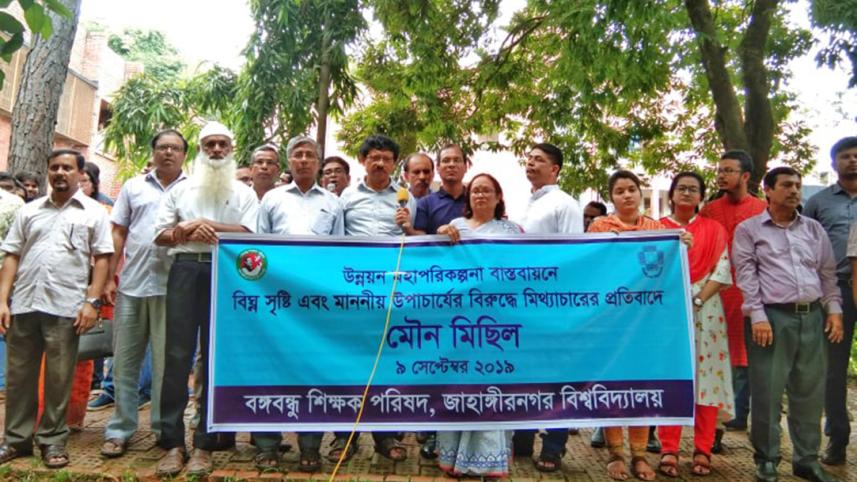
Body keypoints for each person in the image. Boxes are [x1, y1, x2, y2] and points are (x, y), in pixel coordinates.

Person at [153, 121, 259, 477]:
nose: (216, 150)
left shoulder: (244, 193)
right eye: (210, 144)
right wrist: (182, 230)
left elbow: (249, 232)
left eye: (222, 144)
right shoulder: (180, 191)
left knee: (217, 356)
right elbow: (161, 236)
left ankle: (205, 444)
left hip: (225, 275)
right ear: (200, 150)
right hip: (184, 270)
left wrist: (203, 224)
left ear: (232, 149)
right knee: (177, 355)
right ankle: (172, 443)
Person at [0, 149, 113, 469]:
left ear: (80, 174)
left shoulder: (93, 213)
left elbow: (102, 258)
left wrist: (92, 302)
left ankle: (52, 441)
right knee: (19, 376)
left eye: (67, 168)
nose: (60, 173)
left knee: (59, 378)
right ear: (48, 172)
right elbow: (11, 255)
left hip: (66, 306)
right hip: (24, 303)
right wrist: (2, 299)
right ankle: (16, 440)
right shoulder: (30, 211)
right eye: (55, 168)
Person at [732, 166, 843, 482]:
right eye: (787, 185)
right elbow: (747, 276)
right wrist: (758, 316)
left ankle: (806, 459)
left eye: (797, 185)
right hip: (771, 319)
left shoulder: (813, 229)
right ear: (767, 190)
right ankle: (766, 459)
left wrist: (833, 311)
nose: (795, 190)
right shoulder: (749, 230)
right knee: (767, 392)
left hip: (812, 318)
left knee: (809, 392)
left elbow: (827, 274)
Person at [256, 136, 344, 471]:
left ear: (319, 162)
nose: (304, 160)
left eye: (310, 155)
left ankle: (310, 447)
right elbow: (258, 249)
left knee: (313, 370)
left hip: (317, 304)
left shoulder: (333, 203)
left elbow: (340, 255)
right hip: (276, 301)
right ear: (289, 162)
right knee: (271, 368)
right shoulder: (272, 199)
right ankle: (267, 447)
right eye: (298, 155)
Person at [98, 129, 189, 458]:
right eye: (162, 147)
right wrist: (110, 278)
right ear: (152, 153)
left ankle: (162, 430)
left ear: (184, 155)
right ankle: (120, 429)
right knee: (125, 361)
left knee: (168, 366)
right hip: (132, 285)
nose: (168, 153)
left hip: (173, 289)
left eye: (175, 148)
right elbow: (118, 232)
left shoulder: (192, 190)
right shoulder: (133, 187)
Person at [431, 172, 520, 477]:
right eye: (475, 191)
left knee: (491, 388)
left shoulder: (512, 231)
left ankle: (489, 460)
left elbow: (524, 270)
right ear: (468, 198)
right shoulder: (455, 228)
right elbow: (438, 268)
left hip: (496, 324)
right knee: (457, 387)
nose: (480, 196)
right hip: (459, 324)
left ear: (498, 197)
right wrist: (439, 234)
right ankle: (454, 458)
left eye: (487, 191)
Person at [340, 134, 415, 461]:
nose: (380, 163)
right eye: (374, 157)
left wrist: (408, 227)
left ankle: (385, 436)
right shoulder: (345, 197)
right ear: (363, 161)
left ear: (395, 163)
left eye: (386, 158)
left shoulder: (405, 198)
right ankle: (345, 438)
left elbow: (413, 244)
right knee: (350, 361)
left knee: (385, 363)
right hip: (354, 291)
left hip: (391, 293)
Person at [510, 142, 582, 473]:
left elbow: (571, 256)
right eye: (529, 158)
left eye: (538, 160)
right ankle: (523, 438)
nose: (531, 163)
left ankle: (554, 445)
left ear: (554, 169)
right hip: (522, 303)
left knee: (556, 376)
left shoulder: (565, 204)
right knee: (525, 373)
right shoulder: (523, 204)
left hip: (552, 303)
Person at [657, 172, 734, 477]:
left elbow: (723, 269)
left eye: (694, 189)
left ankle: (703, 448)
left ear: (701, 196)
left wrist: (698, 299)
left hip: (707, 309)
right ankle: (668, 449)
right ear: (672, 194)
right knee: (671, 376)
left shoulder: (714, 229)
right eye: (681, 188)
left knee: (707, 379)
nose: (687, 193)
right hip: (666, 311)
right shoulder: (657, 229)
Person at [588, 170, 663, 481]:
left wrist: (681, 243)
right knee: (614, 384)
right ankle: (616, 453)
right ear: (612, 197)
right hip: (611, 320)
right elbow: (591, 265)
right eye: (620, 191)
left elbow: (668, 268)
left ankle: (641, 455)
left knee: (642, 385)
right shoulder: (599, 227)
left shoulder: (657, 229)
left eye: (632, 189)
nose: (627, 195)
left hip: (646, 321)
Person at [699, 150, 766, 438]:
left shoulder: (763, 209)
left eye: (728, 170)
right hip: (714, 296)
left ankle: (742, 418)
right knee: (715, 360)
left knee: (747, 362)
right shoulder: (710, 210)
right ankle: (714, 432)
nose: (721, 176)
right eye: (719, 170)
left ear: (746, 176)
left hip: (752, 296)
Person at [802, 136, 857, 466]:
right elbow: (804, 247)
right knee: (833, 370)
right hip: (835, 293)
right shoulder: (818, 203)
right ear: (834, 163)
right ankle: (837, 437)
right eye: (846, 156)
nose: (853, 161)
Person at [411, 144, 468, 236]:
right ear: (437, 168)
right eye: (446, 161)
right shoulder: (425, 204)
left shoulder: (477, 200)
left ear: (465, 167)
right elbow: (419, 241)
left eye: (457, 160)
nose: (451, 164)